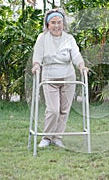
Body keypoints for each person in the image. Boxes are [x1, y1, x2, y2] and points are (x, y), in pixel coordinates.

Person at [31, 8, 88, 148]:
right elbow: (37, 55)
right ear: (47, 24)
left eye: (59, 22)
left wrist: (82, 66)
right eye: (53, 23)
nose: (56, 26)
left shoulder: (69, 38)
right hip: (49, 78)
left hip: (68, 77)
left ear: (63, 23)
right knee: (53, 110)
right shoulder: (42, 38)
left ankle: (57, 137)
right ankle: (46, 137)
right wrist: (36, 65)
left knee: (64, 109)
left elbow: (75, 55)